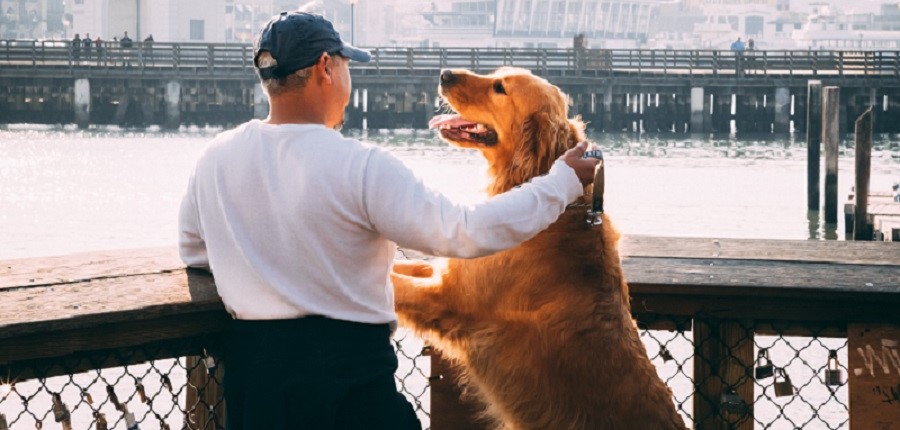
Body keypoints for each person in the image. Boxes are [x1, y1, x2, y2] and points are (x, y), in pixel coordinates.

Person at [178, 11, 600, 430]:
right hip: (348, 380)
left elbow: (195, 252)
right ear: (326, 68)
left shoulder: (213, 159)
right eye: (345, 66)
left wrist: (267, 267)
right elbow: (463, 230)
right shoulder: (360, 166)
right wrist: (561, 184)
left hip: (257, 384)